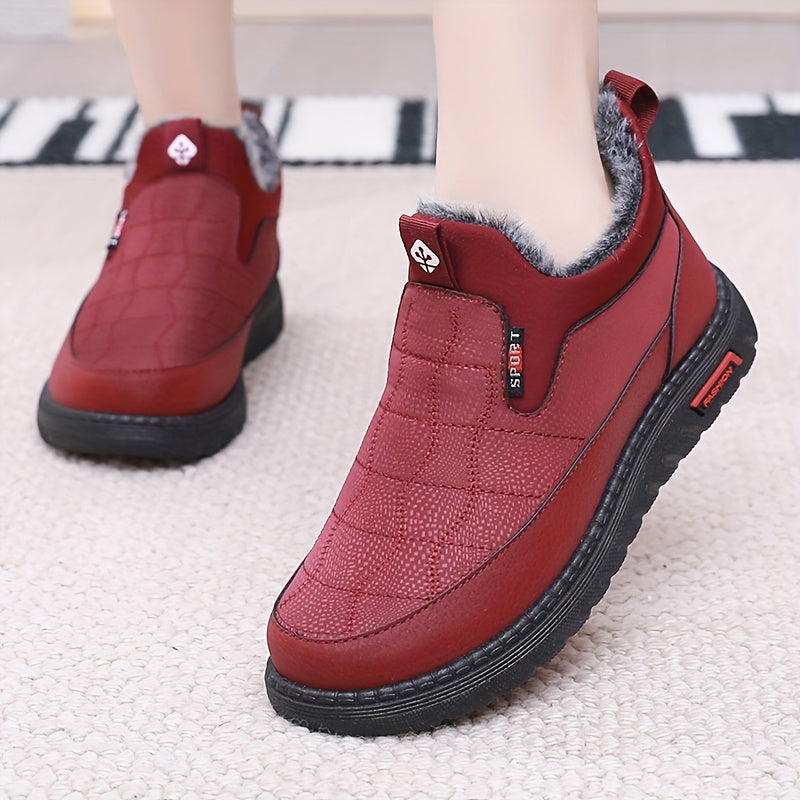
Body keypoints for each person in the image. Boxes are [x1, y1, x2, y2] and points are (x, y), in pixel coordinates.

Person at [37, 1, 757, 735]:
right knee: (183, 125)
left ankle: (552, 214)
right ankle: (195, 152)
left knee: (522, 150)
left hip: (528, 342)